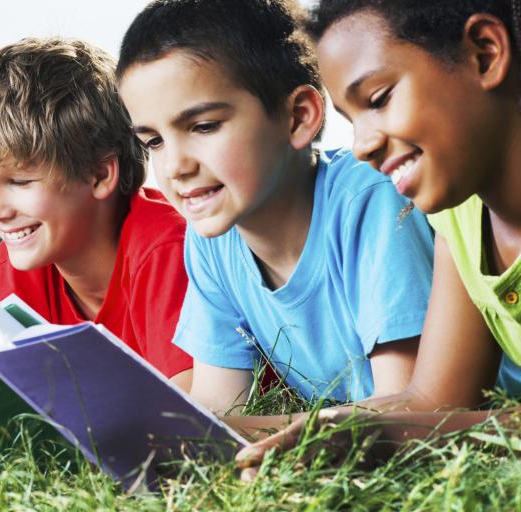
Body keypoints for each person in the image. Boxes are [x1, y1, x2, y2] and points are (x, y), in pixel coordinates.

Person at [236, 0, 521, 479]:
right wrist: (320, 430)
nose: (361, 144)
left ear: (485, 54)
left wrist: (385, 435)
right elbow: (434, 401)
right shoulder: (462, 218)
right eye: (350, 118)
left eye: (379, 98)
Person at [115, 0, 434, 425]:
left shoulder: (371, 201)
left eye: (204, 126)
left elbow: (408, 404)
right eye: (153, 142)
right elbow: (220, 402)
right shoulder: (212, 238)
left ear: (298, 117)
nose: (175, 166)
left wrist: (226, 433)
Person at [0, 36, 194, 387]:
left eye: (20, 182)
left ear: (99, 174)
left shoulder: (166, 250)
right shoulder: (7, 277)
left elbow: (190, 415)